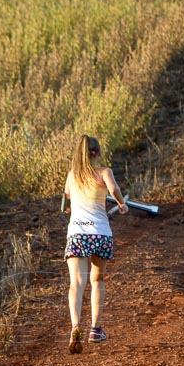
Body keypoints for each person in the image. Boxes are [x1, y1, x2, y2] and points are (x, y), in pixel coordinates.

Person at [63, 134, 128, 353]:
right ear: (98, 152)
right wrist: (121, 203)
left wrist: (70, 207)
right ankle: (95, 329)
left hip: (77, 234)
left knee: (76, 284)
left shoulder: (72, 176)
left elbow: (66, 202)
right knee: (97, 280)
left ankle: (75, 326)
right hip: (100, 234)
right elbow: (113, 189)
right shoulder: (104, 172)